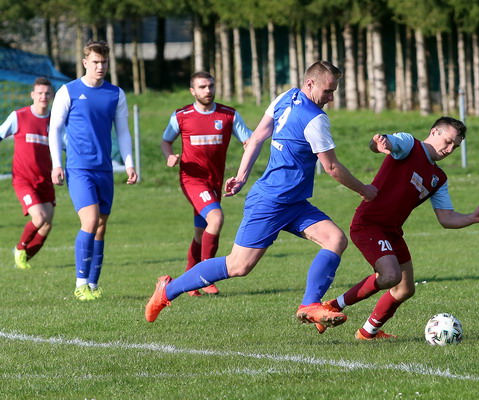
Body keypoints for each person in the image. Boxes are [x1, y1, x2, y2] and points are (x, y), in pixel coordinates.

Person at [146, 61, 377, 327]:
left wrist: (242, 176)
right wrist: (365, 190)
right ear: (310, 83)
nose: (331, 98)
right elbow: (332, 167)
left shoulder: (286, 97)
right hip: (271, 202)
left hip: (295, 203)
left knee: (335, 239)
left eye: (334, 91)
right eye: (327, 91)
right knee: (238, 266)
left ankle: (310, 305)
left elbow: (256, 138)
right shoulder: (315, 119)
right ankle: (167, 290)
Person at [314, 117, 479, 340]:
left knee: (405, 289)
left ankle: (367, 333)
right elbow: (384, 142)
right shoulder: (409, 145)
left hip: (392, 231)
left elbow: (446, 218)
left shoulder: (438, 178)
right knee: (390, 276)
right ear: (434, 132)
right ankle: (332, 305)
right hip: (369, 224)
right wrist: (379, 144)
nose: (449, 150)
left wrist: (472, 218)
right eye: (448, 142)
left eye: (455, 147)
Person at [48, 40, 138, 301]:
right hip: (79, 168)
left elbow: (123, 132)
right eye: (96, 62)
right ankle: (80, 284)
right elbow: (55, 129)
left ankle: (93, 283)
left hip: (104, 170)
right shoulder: (68, 91)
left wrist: (129, 163)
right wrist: (56, 164)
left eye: (104, 62)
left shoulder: (115, 94)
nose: (100, 66)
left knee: (100, 226)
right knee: (89, 221)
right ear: (85, 62)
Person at [161, 71, 252, 296]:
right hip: (192, 180)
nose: (208, 90)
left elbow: (250, 140)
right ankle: (206, 277)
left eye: (211, 86)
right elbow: (166, 140)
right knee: (216, 218)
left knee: (201, 234)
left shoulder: (228, 115)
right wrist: (169, 156)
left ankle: (188, 279)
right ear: (192, 91)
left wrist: (252, 143)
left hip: (214, 182)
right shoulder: (182, 116)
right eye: (202, 87)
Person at [0, 77, 55, 270]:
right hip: (23, 180)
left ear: (52, 95)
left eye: (47, 93)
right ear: (32, 95)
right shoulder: (19, 116)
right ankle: (20, 248)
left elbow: (66, 145)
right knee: (39, 218)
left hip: (45, 180)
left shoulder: (55, 122)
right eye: (39, 93)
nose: (43, 96)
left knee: (47, 224)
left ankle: (24, 260)